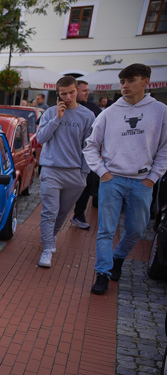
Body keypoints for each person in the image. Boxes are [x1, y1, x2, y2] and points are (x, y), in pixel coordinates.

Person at [84, 63, 167, 295]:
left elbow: (165, 148)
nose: (125, 85)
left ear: (146, 82)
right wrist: (104, 173)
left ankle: (118, 257)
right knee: (105, 230)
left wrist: (153, 177)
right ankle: (103, 272)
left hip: (142, 181)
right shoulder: (109, 112)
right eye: (122, 81)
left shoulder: (160, 111)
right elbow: (90, 146)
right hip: (113, 180)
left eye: (131, 80)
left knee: (136, 230)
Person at [35, 76, 96, 269]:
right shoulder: (50, 112)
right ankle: (47, 248)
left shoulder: (87, 116)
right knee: (50, 211)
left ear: (77, 90)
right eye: (63, 93)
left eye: (71, 92)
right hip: (51, 170)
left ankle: (51, 235)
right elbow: (41, 138)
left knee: (62, 212)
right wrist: (57, 119)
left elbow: (89, 146)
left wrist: (84, 174)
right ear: (58, 94)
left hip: (75, 174)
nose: (68, 97)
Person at [70, 80, 102, 230]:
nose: (86, 93)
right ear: (75, 91)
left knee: (87, 185)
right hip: (68, 157)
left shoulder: (94, 109)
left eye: (87, 90)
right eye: (83, 90)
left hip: (87, 157)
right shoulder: (63, 108)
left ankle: (79, 214)